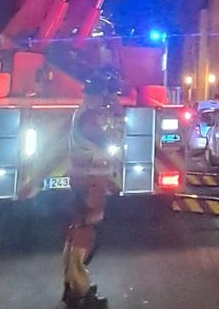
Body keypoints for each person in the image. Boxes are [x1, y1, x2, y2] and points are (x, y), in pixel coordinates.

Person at [62, 71, 124, 308]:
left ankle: (72, 285)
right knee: (85, 234)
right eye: (105, 95)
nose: (106, 99)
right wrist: (117, 120)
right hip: (90, 184)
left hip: (86, 182)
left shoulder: (85, 112)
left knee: (78, 230)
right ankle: (81, 291)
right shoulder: (89, 118)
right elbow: (109, 141)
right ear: (97, 94)